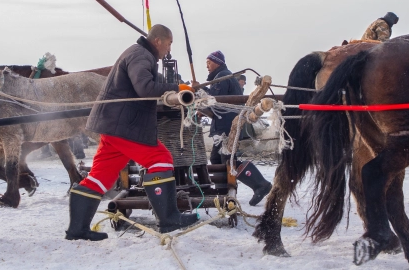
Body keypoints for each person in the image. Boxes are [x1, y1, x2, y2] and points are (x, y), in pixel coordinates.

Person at [66, 24, 197, 241]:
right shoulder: (141, 56)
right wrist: (177, 88)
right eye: (169, 43)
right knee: (161, 159)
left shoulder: (137, 53)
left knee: (101, 176)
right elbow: (145, 88)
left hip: (113, 126)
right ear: (158, 41)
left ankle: (77, 229)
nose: (170, 49)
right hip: (125, 126)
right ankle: (169, 219)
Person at [203, 50, 273, 206]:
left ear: (217, 62)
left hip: (226, 127)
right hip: (223, 124)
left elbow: (215, 102)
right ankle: (222, 191)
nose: (207, 66)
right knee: (216, 159)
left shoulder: (222, 77)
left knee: (229, 159)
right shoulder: (221, 76)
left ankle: (260, 184)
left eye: (209, 62)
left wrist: (198, 93)